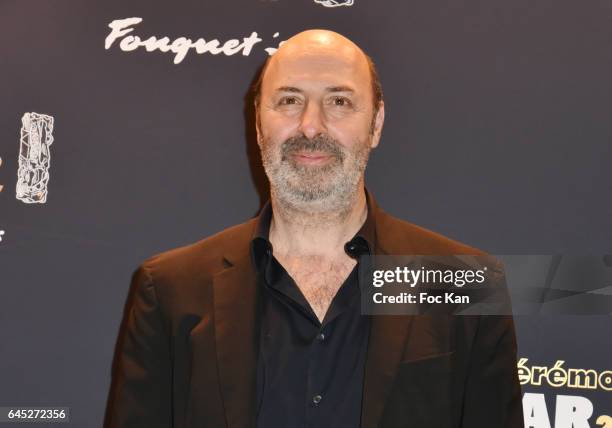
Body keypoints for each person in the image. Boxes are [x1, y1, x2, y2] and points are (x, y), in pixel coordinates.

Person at [105, 29, 524, 428]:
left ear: (376, 124)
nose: (310, 125)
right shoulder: (171, 289)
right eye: (289, 100)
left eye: (339, 102)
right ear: (257, 124)